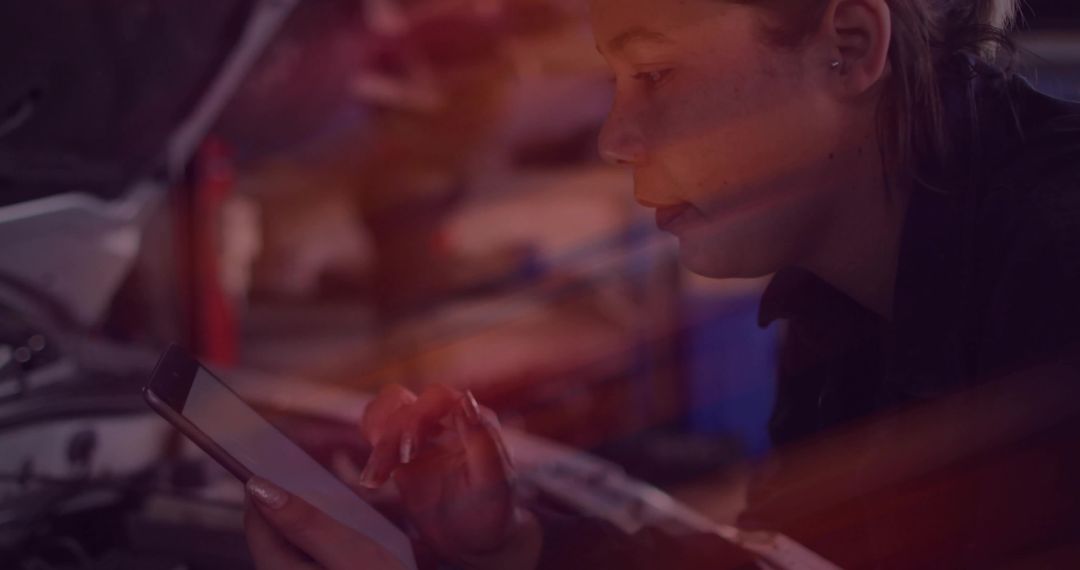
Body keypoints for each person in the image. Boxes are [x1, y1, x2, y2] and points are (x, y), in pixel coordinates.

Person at [242, 0, 1080, 567]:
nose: (615, 138)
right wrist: (513, 548)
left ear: (851, 45)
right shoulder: (842, 286)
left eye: (652, 73)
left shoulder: (1059, 262)